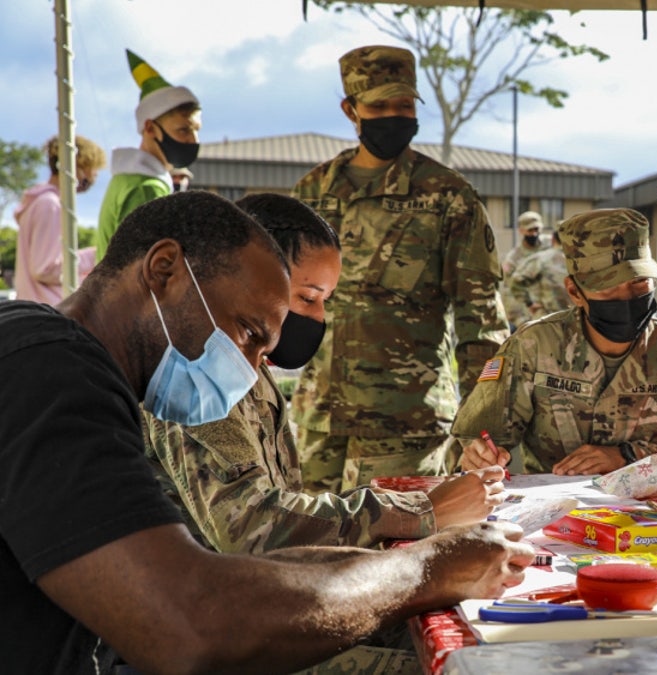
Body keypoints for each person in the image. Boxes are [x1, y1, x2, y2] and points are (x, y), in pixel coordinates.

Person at [0, 190, 531, 673]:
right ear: (165, 269)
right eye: (249, 333)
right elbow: (190, 620)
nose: (254, 367)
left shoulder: (70, 368)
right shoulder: (49, 372)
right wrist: (425, 568)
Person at [141, 193, 504, 557]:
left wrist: (415, 502)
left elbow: (282, 503)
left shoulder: (247, 365)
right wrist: (422, 512)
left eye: (325, 300)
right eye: (308, 298)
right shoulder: (199, 367)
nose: (318, 318)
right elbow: (250, 529)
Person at [292, 45, 508, 490]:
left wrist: (483, 425)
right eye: (378, 105)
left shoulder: (448, 196)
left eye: (404, 105)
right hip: (319, 418)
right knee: (308, 549)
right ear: (350, 110)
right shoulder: (311, 191)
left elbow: (480, 317)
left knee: (391, 552)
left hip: (405, 425)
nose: (393, 115)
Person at [453, 208, 657, 475]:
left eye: (640, 282)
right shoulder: (533, 346)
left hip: (648, 512)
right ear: (574, 291)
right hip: (553, 509)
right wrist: (478, 456)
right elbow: (478, 440)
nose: (627, 297)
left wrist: (628, 457)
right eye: (608, 286)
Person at [96, 50, 202, 261]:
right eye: (183, 130)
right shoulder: (146, 188)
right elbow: (141, 267)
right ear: (150, 128)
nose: (193, 139)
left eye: (196, 130)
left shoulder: (130, 179)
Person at [13, 135, 106, 304]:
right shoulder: (50, 205)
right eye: (93, 168)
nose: (95, 175)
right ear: (77, 165)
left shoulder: (41, 202)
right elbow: (45, 268)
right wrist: (94, 255)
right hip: (47, 310)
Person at [508, 229, 570, 323]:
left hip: (548, 319)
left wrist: (529, 303)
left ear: (553, 239)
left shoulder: (541, 258)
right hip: (577, 319)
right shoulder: (582, 260)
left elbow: (516, 280)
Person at [501, 211, 548, 327]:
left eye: (536, 229)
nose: (534, 234)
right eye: (530, 230)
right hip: (528, 313)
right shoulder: (513, 258)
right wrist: (518, 319)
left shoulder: (549, 246)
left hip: (551, 308)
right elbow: (509, 290)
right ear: (521, 231)